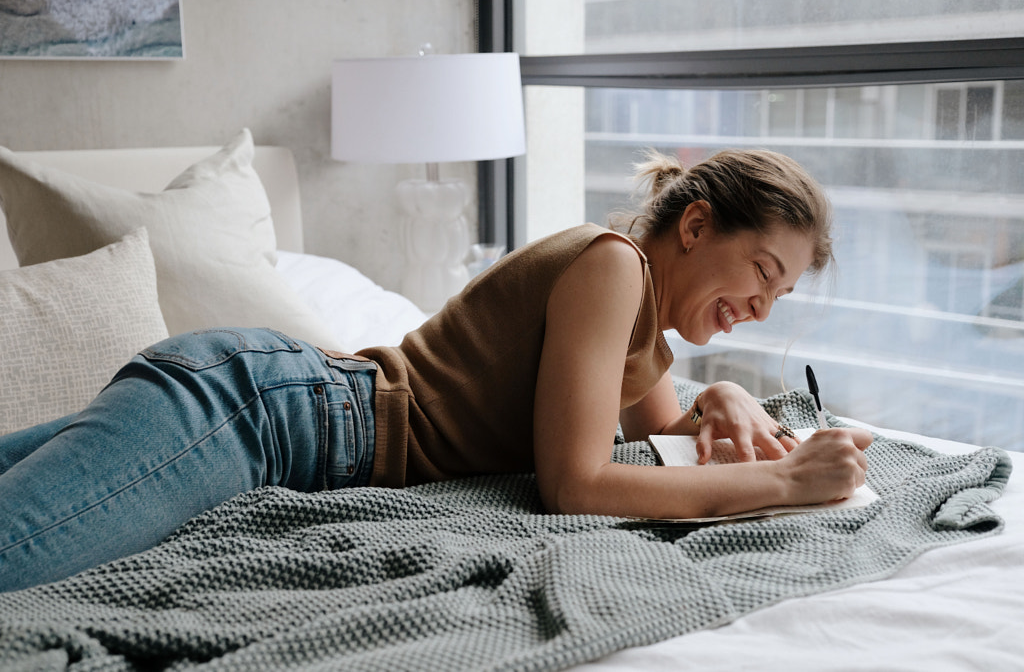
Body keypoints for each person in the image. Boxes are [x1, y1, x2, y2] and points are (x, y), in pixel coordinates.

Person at [0, 149, 872, 592]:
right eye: (761, 273)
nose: (762, 307)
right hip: (260, 411)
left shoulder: (643, 322)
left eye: (780, 296)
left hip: (264, 405)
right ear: (695, 226)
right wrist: (784, 484)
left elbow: (663, 440)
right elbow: (577, 481)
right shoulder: (611, 266)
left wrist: (720, 396)